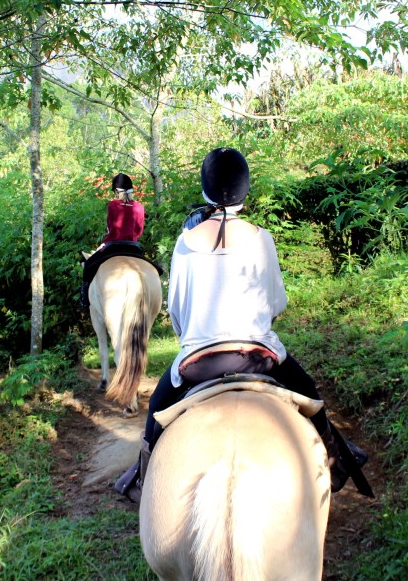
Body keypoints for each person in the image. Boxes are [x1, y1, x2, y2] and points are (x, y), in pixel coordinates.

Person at [114, 147, 371, 501]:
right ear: (244, 190)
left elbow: (176, 312)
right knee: (310, 394)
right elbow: (276, 304)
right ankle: (334, 458)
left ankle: (143, 479)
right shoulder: (261, 237)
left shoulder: (183, 243)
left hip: (197, 364)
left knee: (156, 413)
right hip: (258, 356)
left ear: (205, 190)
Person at [80, 173, 146, 308]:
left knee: (88, 266)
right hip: (133, 246)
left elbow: (111, 227)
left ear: (117, 191)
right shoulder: (139, 207)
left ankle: (84, 299)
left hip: (113, 245)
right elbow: (139, 231)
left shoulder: (113, 205)